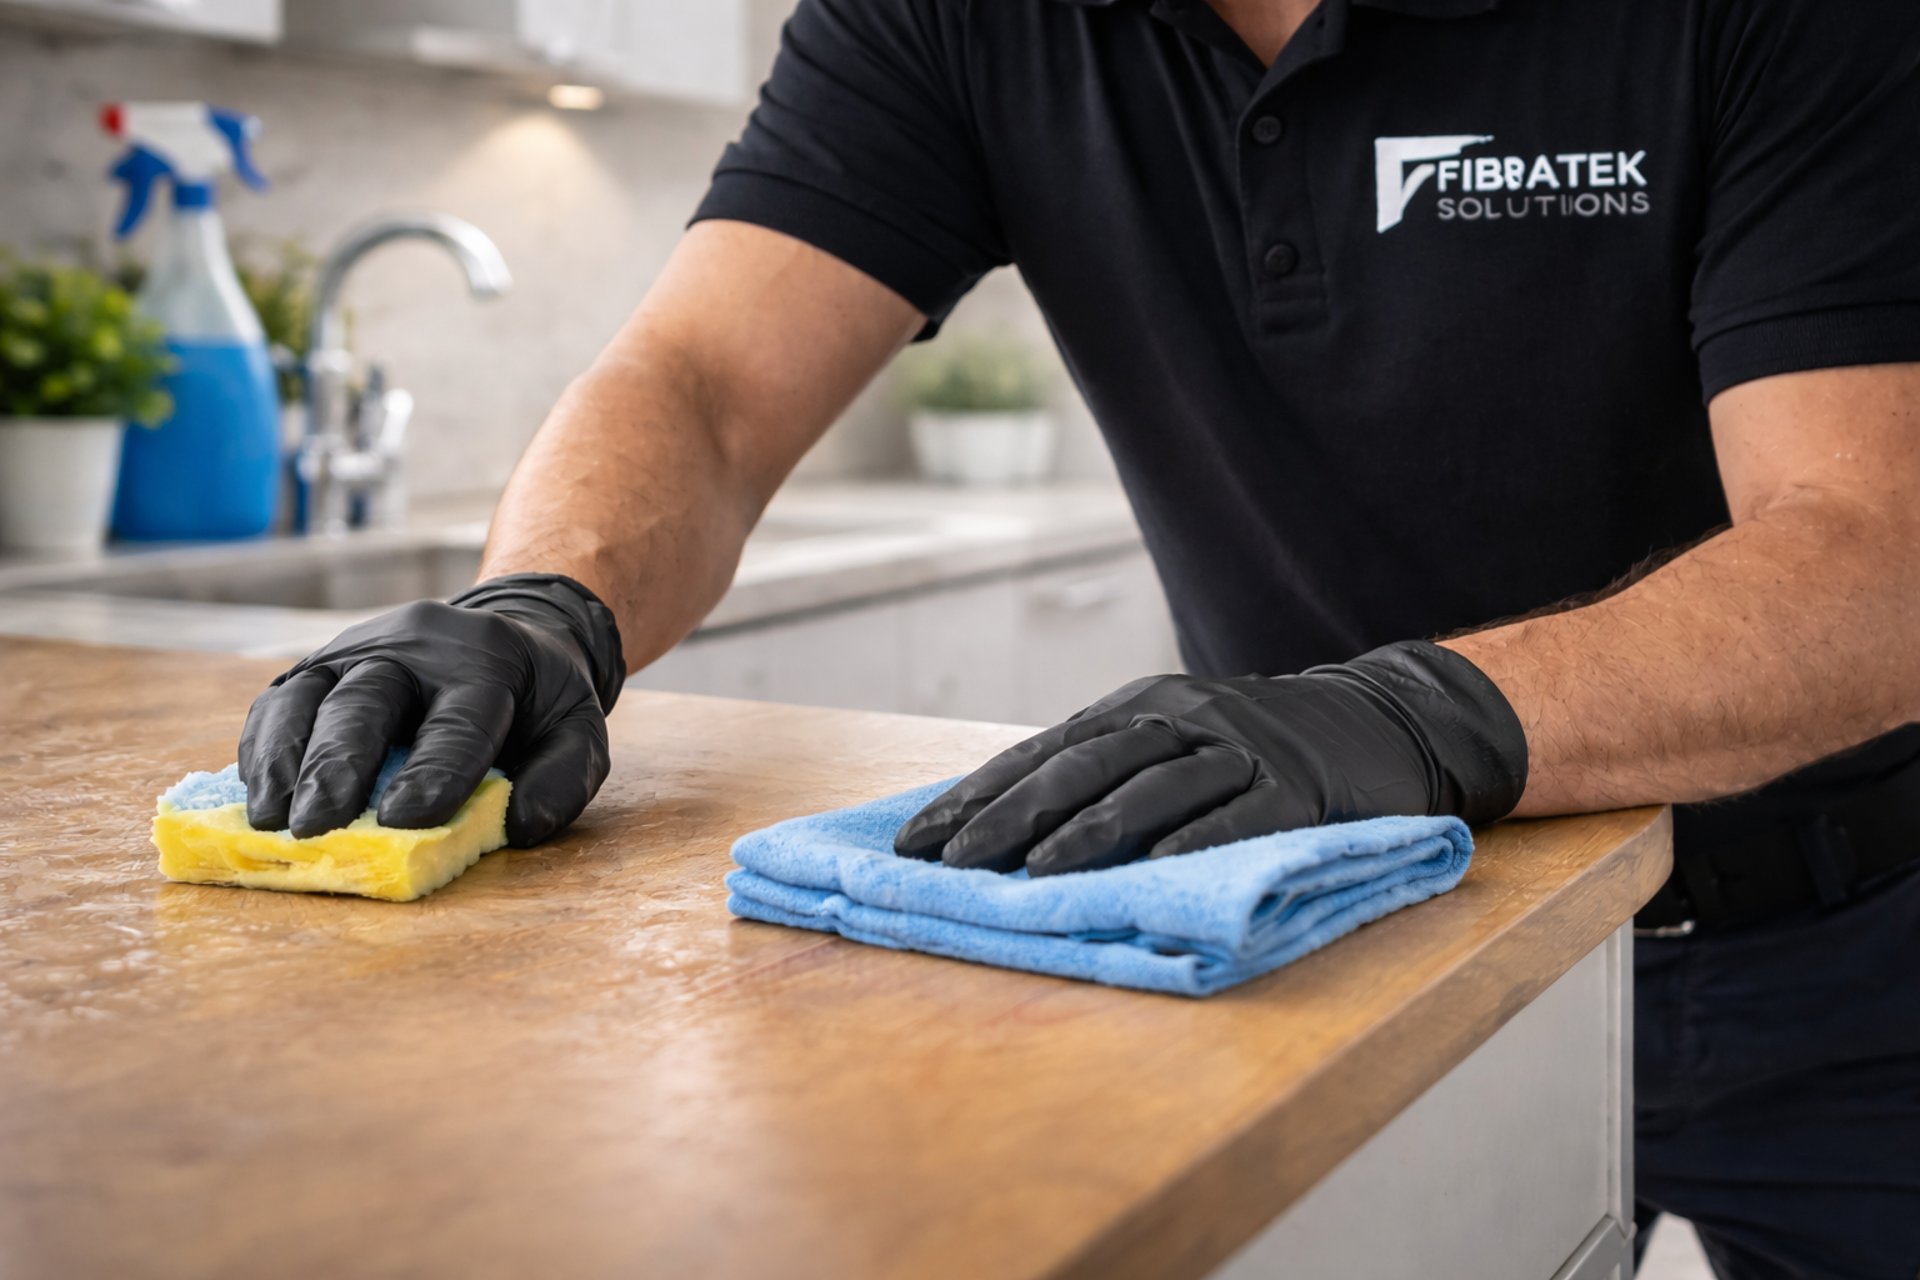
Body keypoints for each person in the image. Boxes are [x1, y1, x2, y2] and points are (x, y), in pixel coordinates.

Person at [239, 0, 1920, 1273]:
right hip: (1355, 943)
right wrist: (545, 599)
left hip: (1853, 944)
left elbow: (1875, 549)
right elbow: (704, 386)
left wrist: (1408, 715)